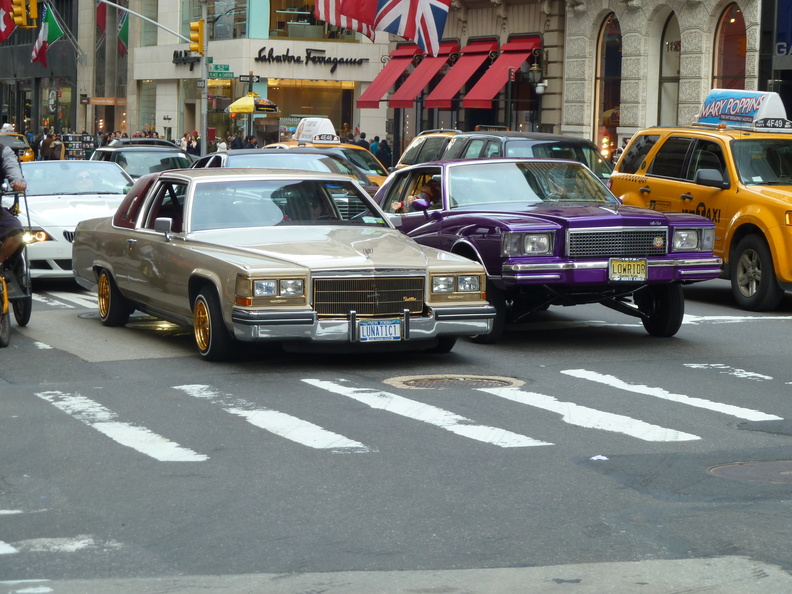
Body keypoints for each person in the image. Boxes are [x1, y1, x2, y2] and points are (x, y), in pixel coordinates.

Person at [0, 143, 26, 266]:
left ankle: (0, 263)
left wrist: (18, 181)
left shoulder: (3, 150)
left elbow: (12, 167)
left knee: (16, 231)